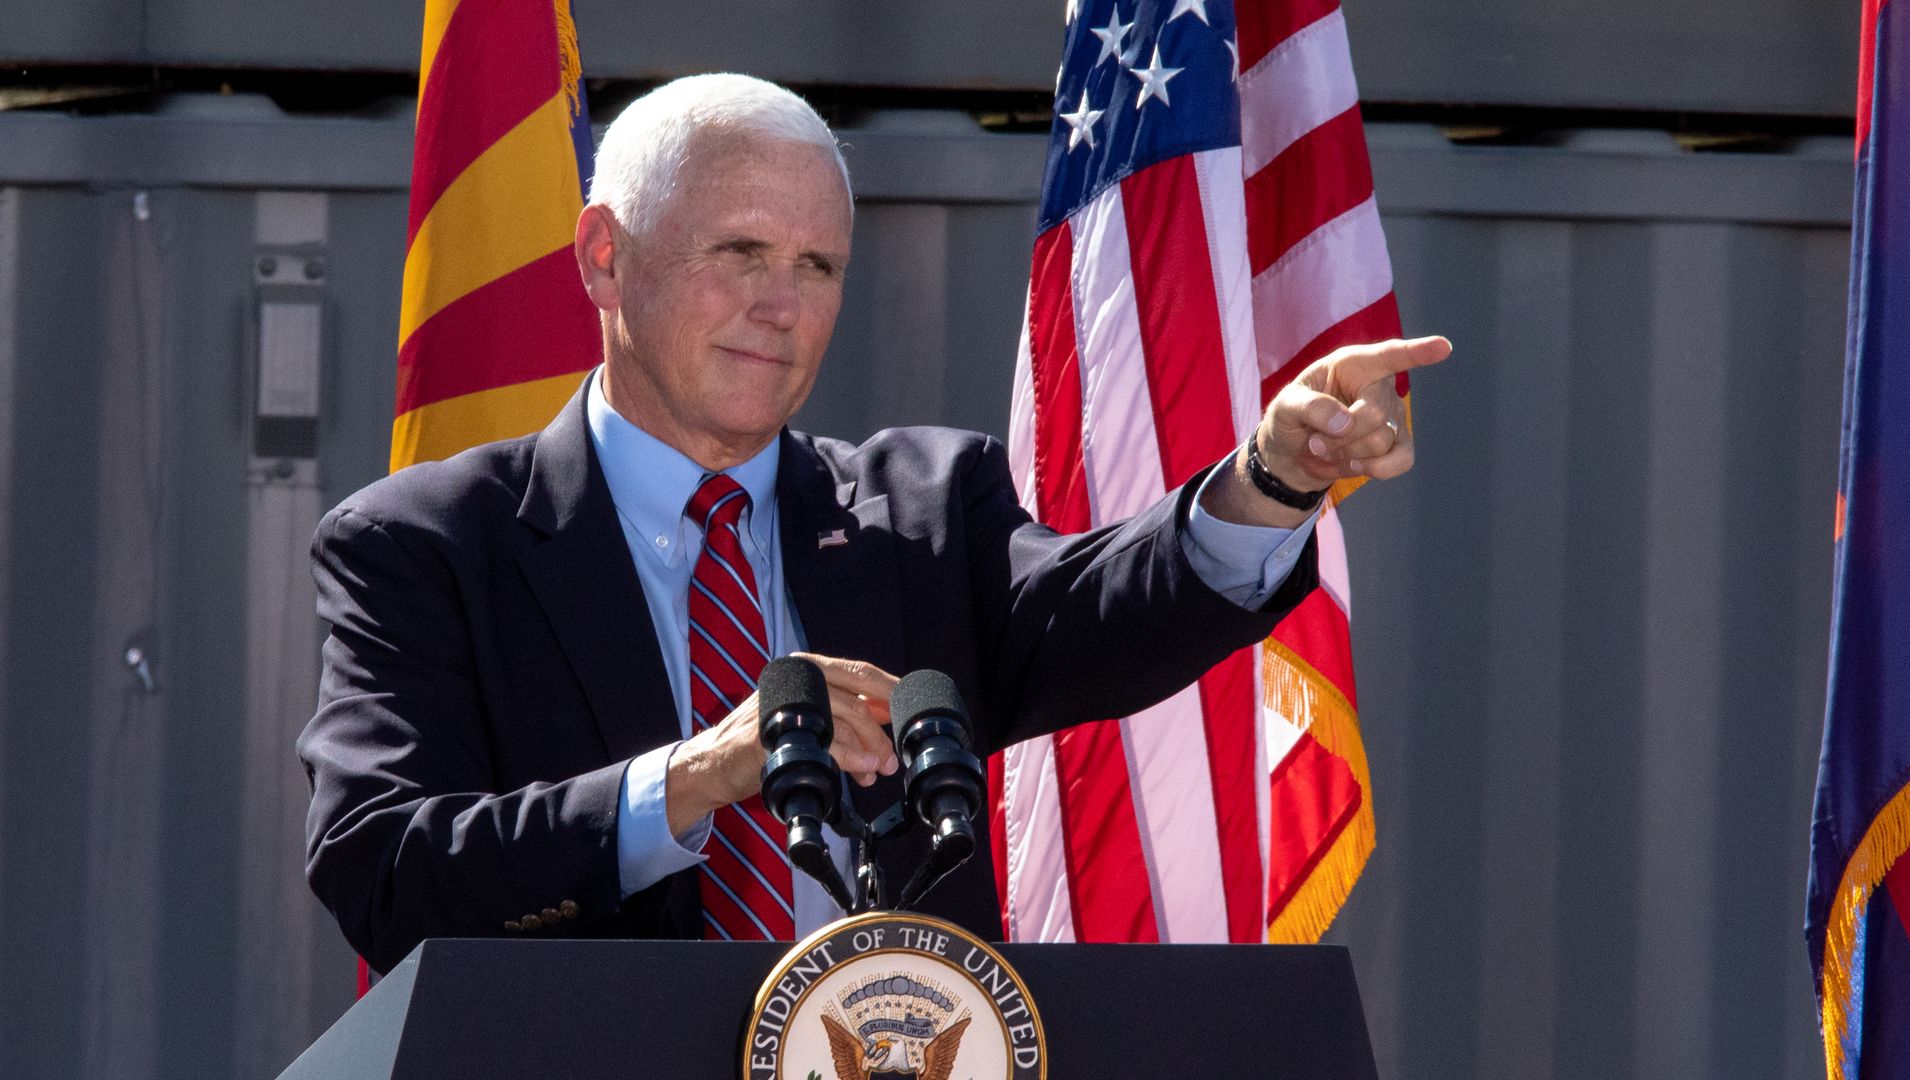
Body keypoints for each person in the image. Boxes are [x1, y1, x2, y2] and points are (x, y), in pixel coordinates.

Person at [299, 73, 1448, 973]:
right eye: (740, 253)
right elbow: (383, 872)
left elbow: (1111, 606)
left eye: (817, 265)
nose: (781, 306)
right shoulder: (427, 546)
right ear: (605, 259)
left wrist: (1272, 478)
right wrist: (696, 777)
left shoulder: (923, 512)